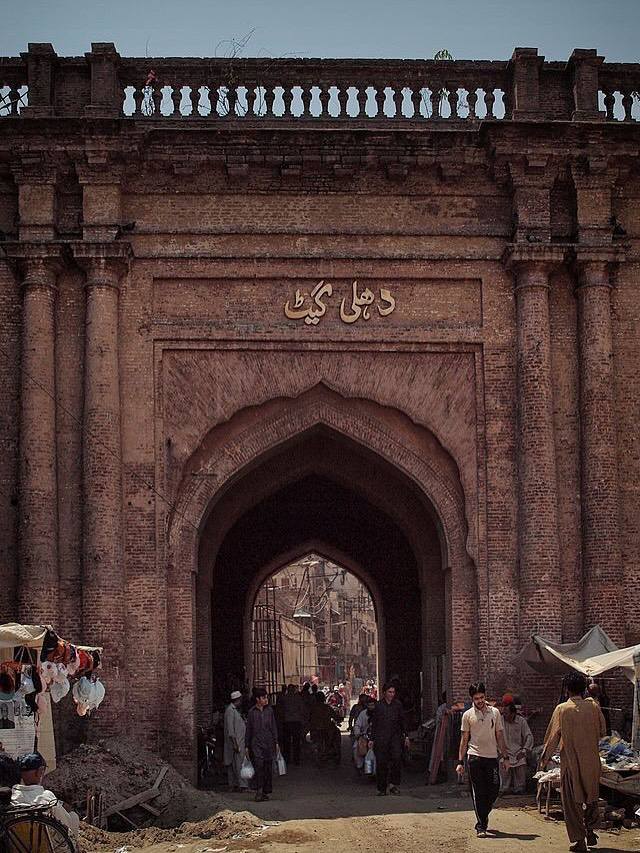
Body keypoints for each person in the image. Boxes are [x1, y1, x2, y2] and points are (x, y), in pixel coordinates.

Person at [540, 671, 606, 853]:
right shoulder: (594, 707)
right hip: (592, 763)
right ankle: (591, 830)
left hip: (571, 764)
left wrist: (543, 761)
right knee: (591, 797)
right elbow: (602, 731)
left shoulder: (562, 709)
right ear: (583, 689)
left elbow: (552, 738)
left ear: (567, 689)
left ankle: (579, 841)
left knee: (572, 802)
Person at [457, 682, 509, 838]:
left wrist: (505, 757)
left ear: (485, 696)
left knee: (494, 789)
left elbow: (499, 735)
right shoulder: (467, 715)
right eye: (476, 698)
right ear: (472, 699)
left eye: (482, 697)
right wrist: (460, 762)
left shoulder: (495, 713)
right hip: (474, 757)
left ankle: (483, 815)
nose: (479, 700)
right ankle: (481, 825)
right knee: (479, 792)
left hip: (492, 757)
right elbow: (464, 739)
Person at [11, 752, 80, 846]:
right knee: (73, 816)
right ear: (40, 771)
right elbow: (66, 824)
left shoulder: (12, 796)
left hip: (16, 845)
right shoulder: (47, 797)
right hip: (43, 847)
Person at [369, 683, 409, 796]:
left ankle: (393, 785)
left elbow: (402, 721)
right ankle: (382, 788)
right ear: (384, 692)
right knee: (382, 763)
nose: (391, 694)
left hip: (395, 738)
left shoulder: (397, 705)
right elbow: (374, 723)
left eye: (393, 692)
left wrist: (406, 736)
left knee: (396, 760)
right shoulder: (379, 706)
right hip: (381, 738)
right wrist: (372, 739)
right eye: (389, 692)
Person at [245, 687, 279, 802]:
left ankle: (265, 791)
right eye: (264, 698)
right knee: (259, 767)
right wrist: (246, 746)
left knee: (267, 768)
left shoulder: (269, 711)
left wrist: (276, 742)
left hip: (268, 744)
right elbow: (248, 730)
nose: (266, 699)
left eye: (266, 697)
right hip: (256, 744)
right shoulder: (251, 713)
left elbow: (273, 727)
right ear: (258, 699)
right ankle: (258, 791)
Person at [500, 702, 533, 794]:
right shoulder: (500, 720)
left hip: (518, 751)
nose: (505, 715)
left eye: (507, 713)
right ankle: (504, 788)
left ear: (513, 713)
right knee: (503, 763)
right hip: (505, 751)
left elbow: (529, 736)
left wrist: (524, 750)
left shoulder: (521, 721)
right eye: (504, 713)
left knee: (522, 763)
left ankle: (520, 788)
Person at [224, 690, 248, 792]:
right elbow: (231, 730)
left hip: (239, 742)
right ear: (237, 700)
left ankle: (235, 784)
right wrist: (235, 744)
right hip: (236, 743)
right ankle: (242, 785)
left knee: (236, 764)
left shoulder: (235, 710)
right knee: (238, 765)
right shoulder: (230, 711)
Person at [280, 684, 304, 765]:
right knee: (296, 742)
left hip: (287, 722)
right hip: (296, 721)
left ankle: (287, 759)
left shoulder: (284, 698)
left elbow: (281, 710)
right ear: (294, 690)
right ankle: (296, 760)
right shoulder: (298, 698)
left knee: (287, 742)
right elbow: (302, 709)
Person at [353, 696, 376, 772]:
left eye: (373, 705)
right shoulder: (363, 714)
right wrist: (358, 734)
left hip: (377, 737)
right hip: (364, 736)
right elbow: (357, 725)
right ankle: (359, 766)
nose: (371, 707)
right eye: (370, 705)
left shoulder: (379, 713)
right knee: (356, 747)